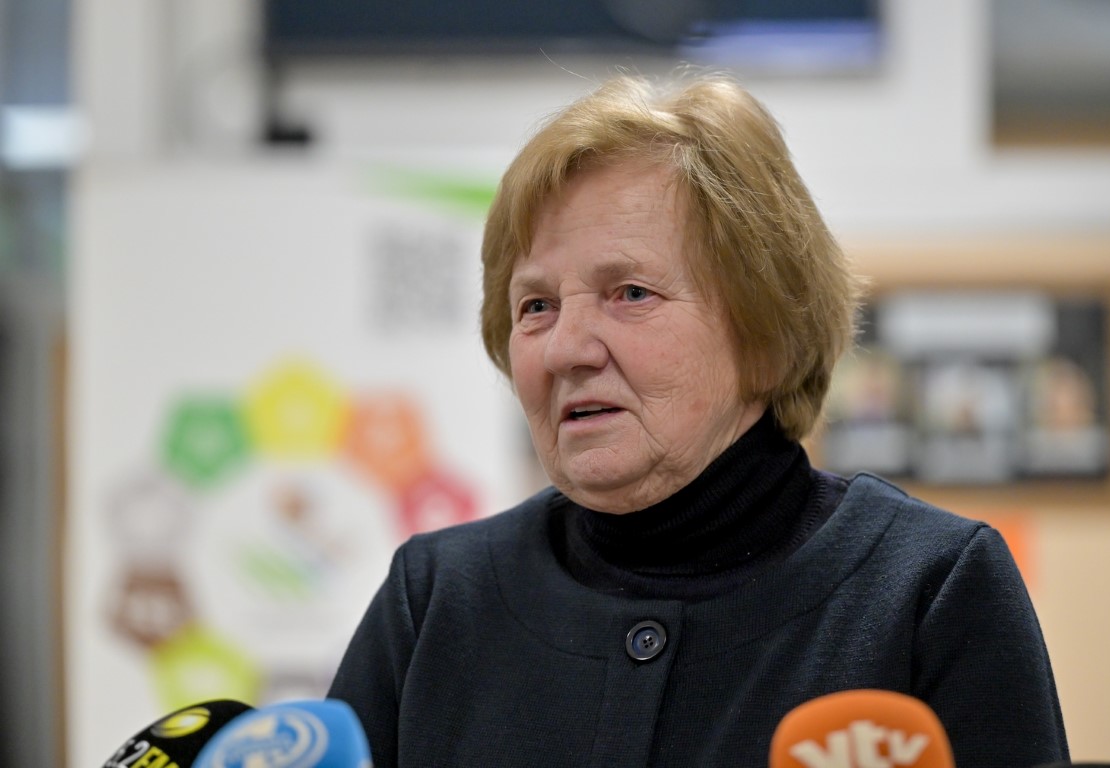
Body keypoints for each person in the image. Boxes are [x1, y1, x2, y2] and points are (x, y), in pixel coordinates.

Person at [327, 73, 1069, 767]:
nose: (565, 349)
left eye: (630, 293)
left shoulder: (928, 589)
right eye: (536, 306)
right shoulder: (435, 600)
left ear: (766, 336)